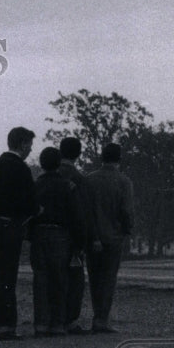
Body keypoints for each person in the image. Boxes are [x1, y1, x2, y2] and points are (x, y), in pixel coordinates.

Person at [0, 127, 38, 340]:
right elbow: (30, 203)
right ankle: (4, 326)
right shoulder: (21, 169)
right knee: (7, 276)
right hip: (10, 227)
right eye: (29, 145)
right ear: (22, 144)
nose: (30, 149)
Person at [29, 147, 85, 337]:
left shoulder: (35, 185)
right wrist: (78, 243)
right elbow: (77, 216)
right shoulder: (68, 186)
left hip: (38, 233)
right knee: (60, 279)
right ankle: (58, 323)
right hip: (61, 235)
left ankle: (41, 323)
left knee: (40, 279)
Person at [86, 143, 135, 333]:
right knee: (108, 279)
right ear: (119, 160)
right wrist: (127, 229)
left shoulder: (89, 180)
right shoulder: (124, 181)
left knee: (94, 277)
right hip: (113, 237)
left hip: (93, 236)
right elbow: (127, 211)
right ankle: (101, 319)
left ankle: (97, 315)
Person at [58, 137, 96, 334]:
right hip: (72, 234)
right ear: (78, 154)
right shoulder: (79, 179)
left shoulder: (50, 174)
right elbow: (83, 212)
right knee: (75, 280)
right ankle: (70, 320)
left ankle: (53, 318)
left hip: (50, 233)